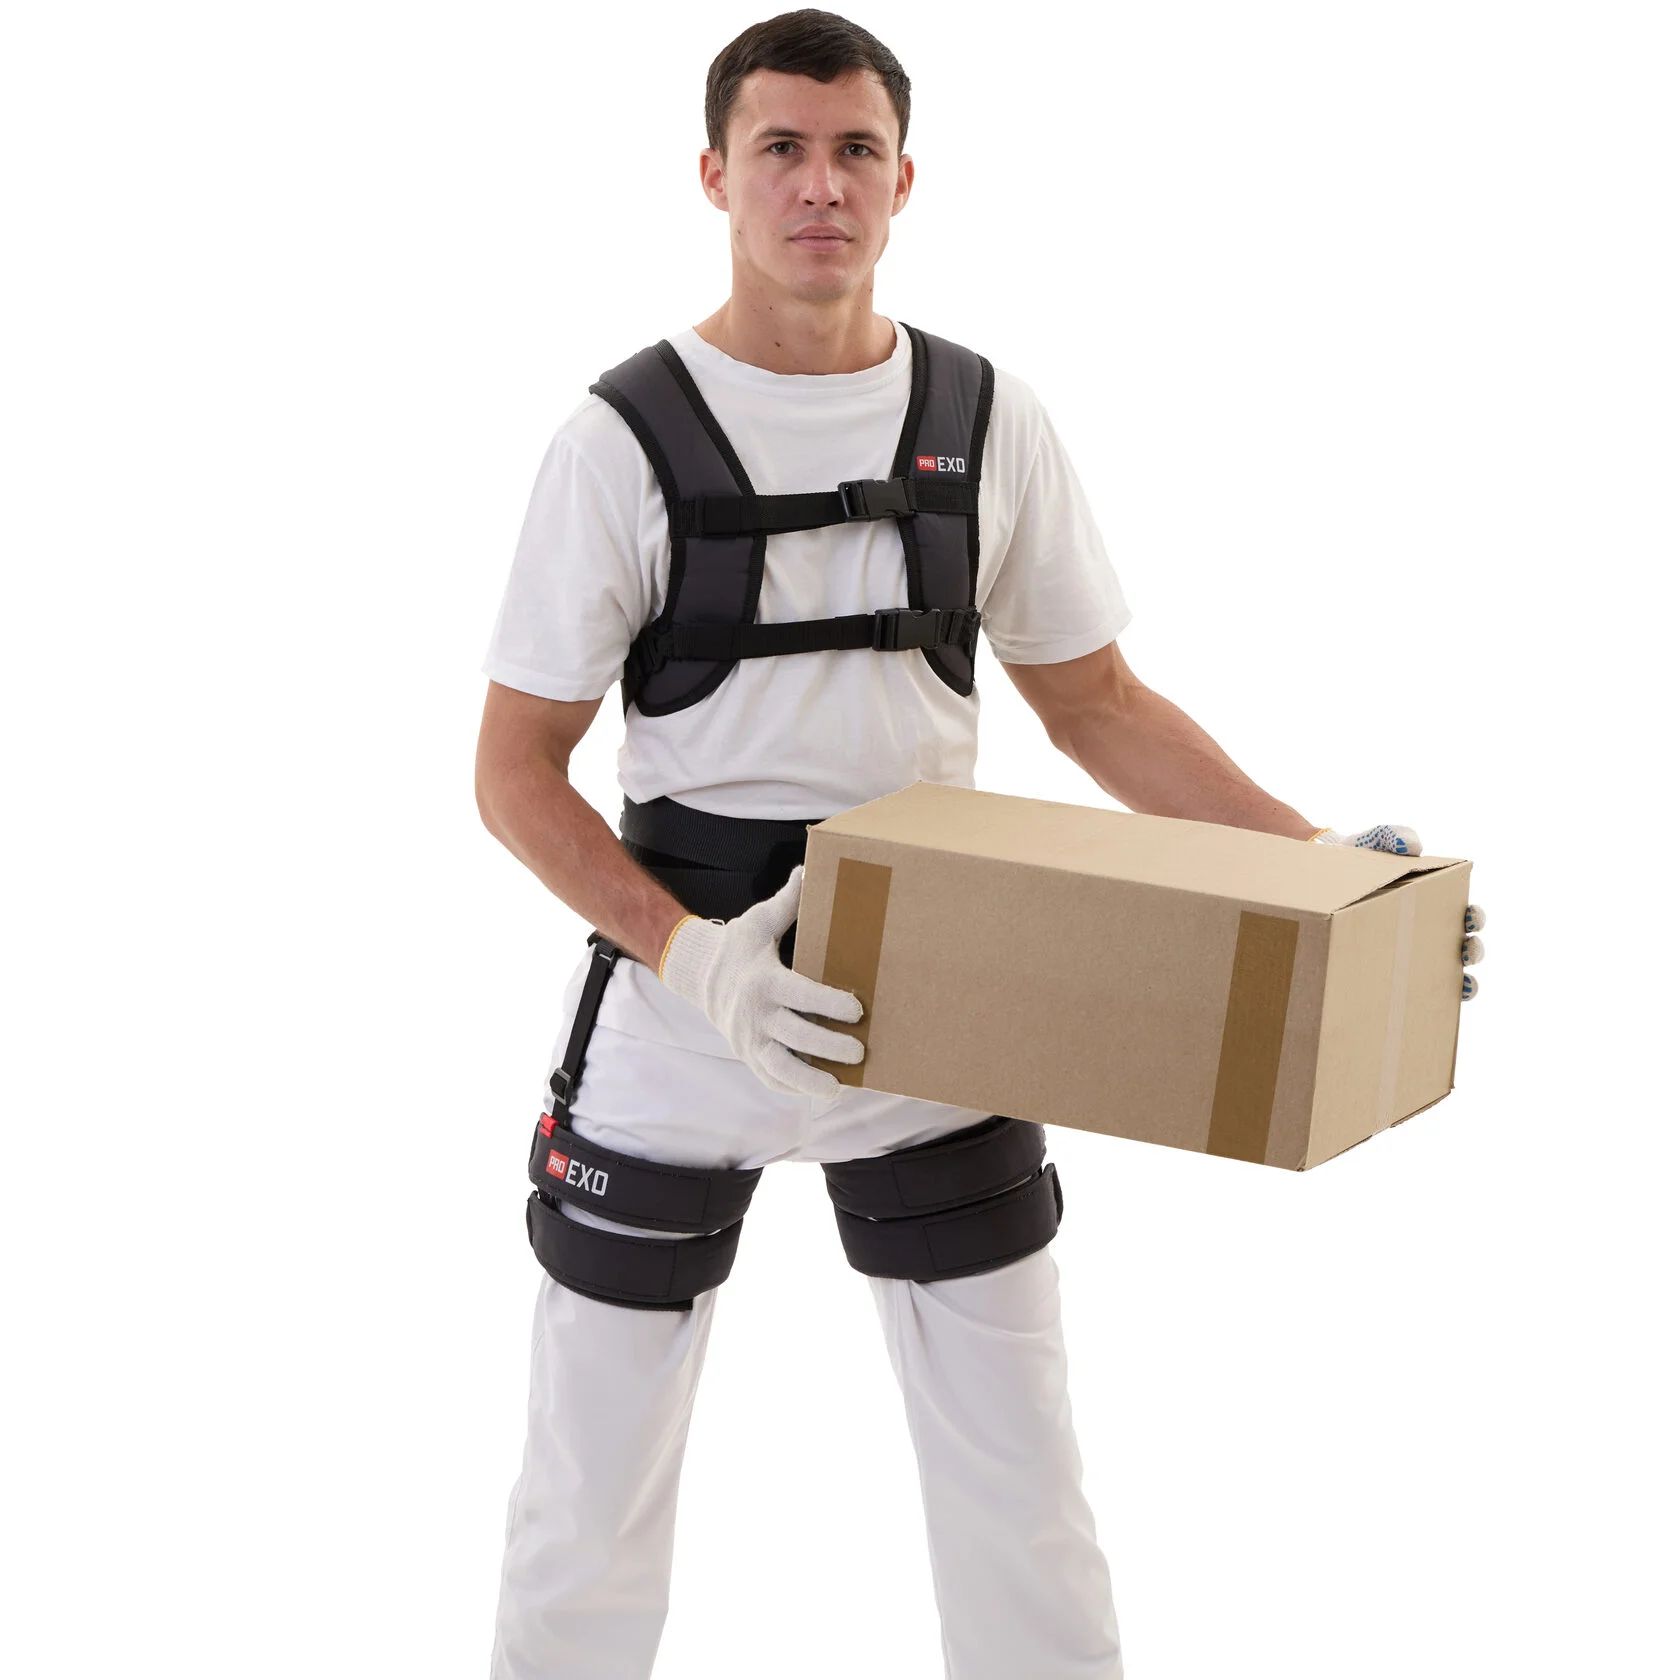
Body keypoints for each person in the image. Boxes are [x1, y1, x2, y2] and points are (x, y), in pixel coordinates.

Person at [473, 11, 1485, 1677]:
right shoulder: (618, 442)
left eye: (854, 150)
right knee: (589, 1491)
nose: (820, 185)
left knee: (1019, 1485)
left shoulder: (984, 417)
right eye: (782, 149)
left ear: (904, 179)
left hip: (940, 1003)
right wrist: (701, 964)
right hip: (685, 1007)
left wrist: (1325, 868)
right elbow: (515, 773)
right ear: (715, 175)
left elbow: (1098, 705)